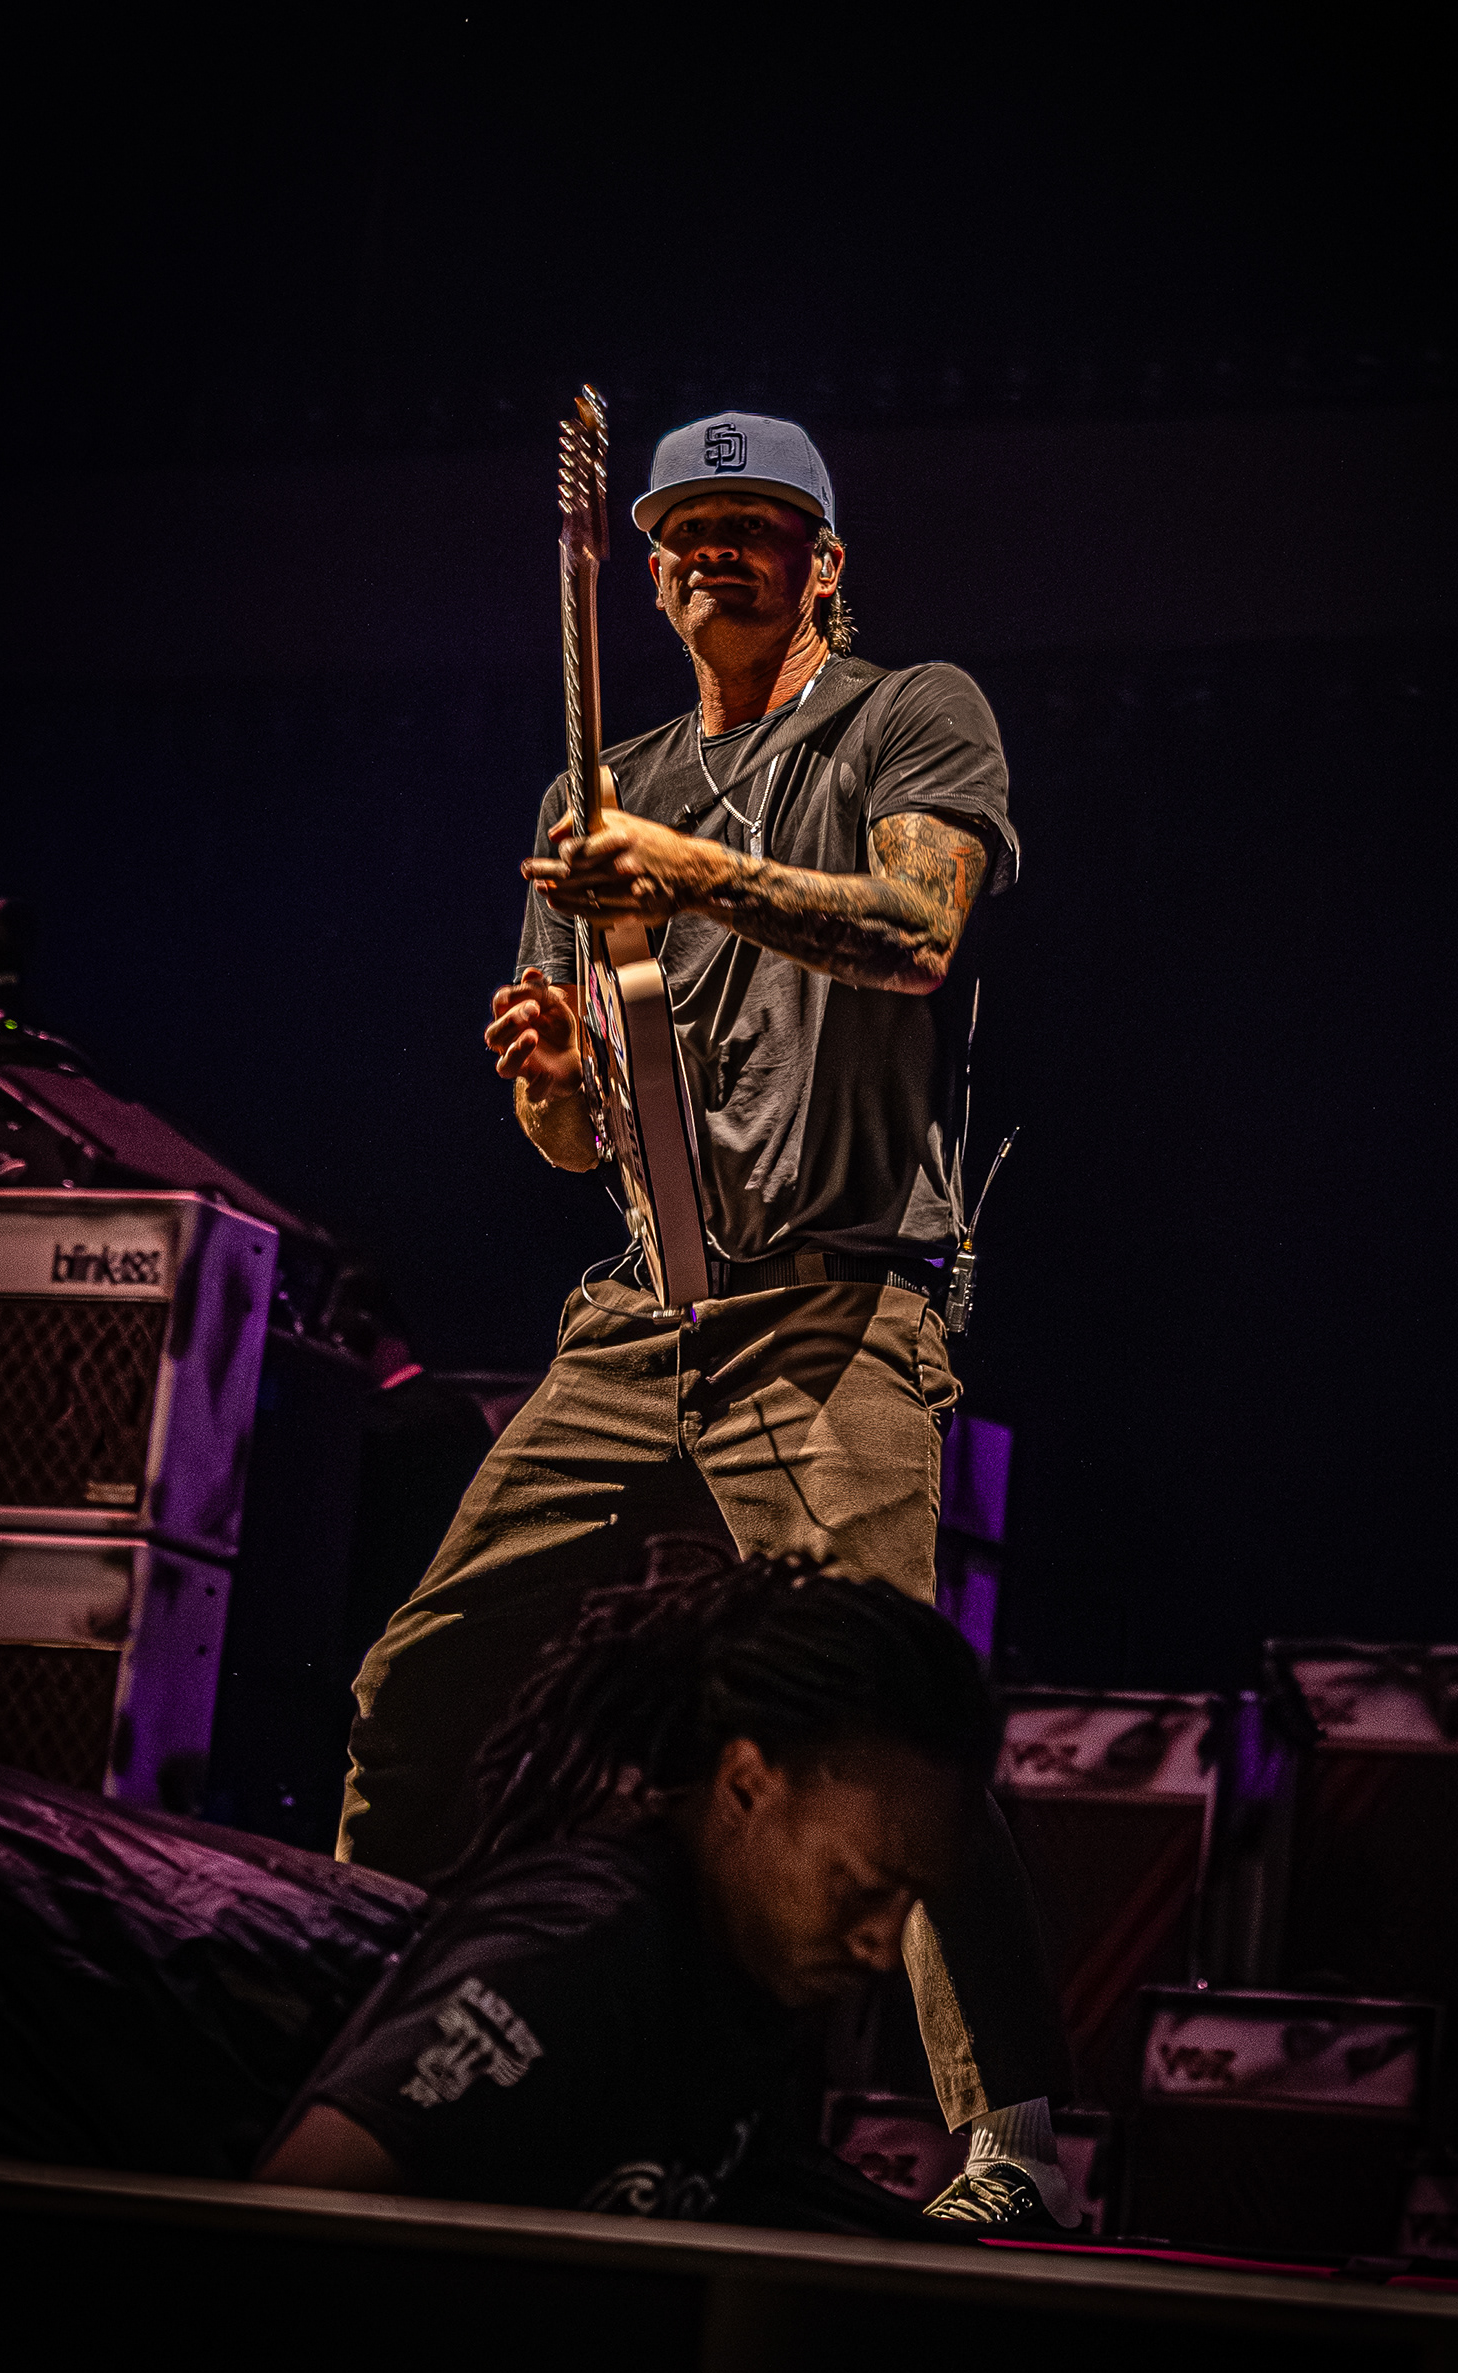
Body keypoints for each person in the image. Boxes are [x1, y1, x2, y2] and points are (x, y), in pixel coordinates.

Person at [338, 411, 1073, 2227]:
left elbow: (913, 930)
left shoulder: (907, 713)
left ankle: (1016, 2144)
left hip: (833, 1314)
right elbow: (577, 1134)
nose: (709, 553)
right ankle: (357, 2038)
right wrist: (548, 1071)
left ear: (826, 563)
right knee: (421, 1685)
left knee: (885, 1710)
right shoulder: (596, 783)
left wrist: (683, 872)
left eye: (754, 525)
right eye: (684, 530)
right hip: (637, 1324)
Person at [262, 1552, 996, 2218]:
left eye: (910, 1903)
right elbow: (285, 2223)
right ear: (745, 1785)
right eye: (861, 1887)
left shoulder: (751, 1980)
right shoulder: (574, 1958)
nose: (881, 1948)